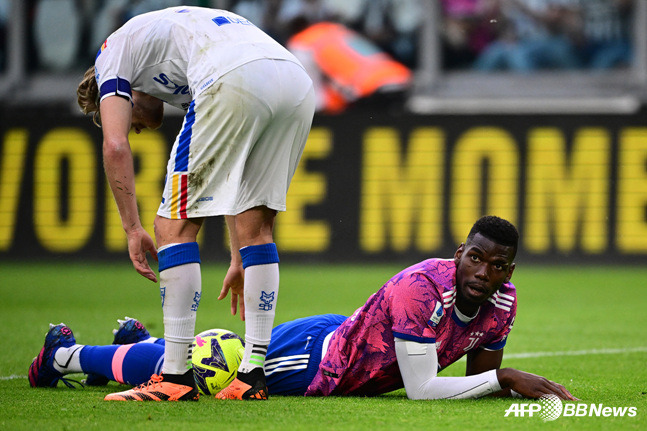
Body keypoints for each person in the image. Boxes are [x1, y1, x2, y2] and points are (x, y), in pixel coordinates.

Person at [29, 216, 576, 401]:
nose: (483, 273)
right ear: (460, 254)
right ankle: (66, 356)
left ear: (510, 271)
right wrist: (506, 379)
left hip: (351, 339)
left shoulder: (502, 302)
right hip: (323, 364)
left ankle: (132, 344)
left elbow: (477, 379)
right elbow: (423, 388)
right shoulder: (423, 288)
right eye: (475, 258)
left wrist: (498, 381)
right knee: (206, 373)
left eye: (498, 266)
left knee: (199, 362)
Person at [74, 6, 315, 401]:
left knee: (172, 227)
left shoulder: (111, 54)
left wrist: (133, 229)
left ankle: (174, 377)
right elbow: (231, 183)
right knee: (257, 229)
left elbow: (115, 145)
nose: (137, 127)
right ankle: (252, 377)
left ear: (122, 93)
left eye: (130, 117)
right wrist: (238, 258)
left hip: (234, 75)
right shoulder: (182, 66)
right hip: (294, 82)